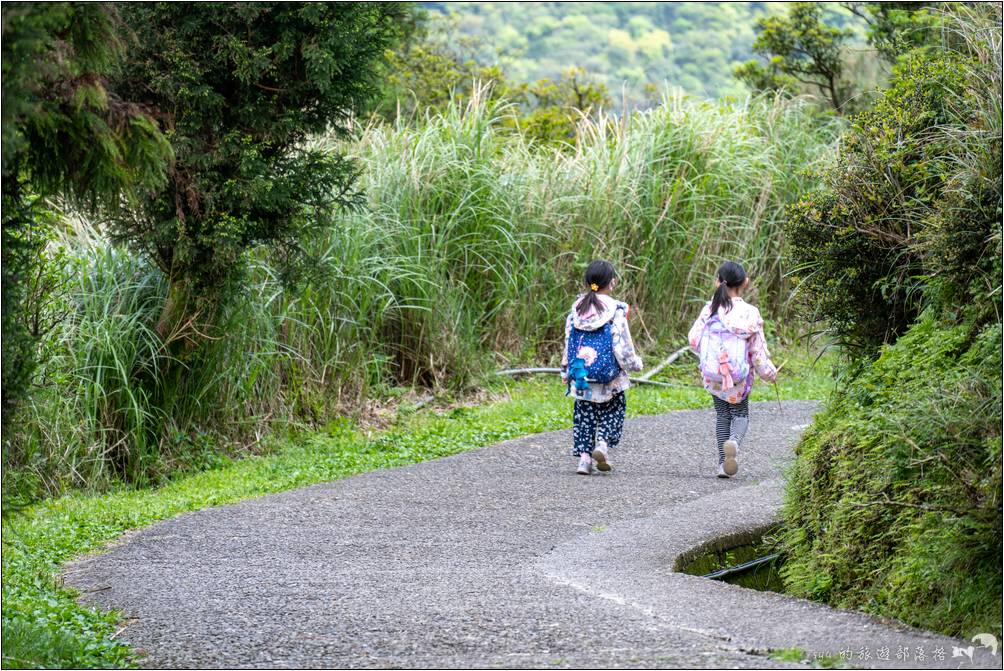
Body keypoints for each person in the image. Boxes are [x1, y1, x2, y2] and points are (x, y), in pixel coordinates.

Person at [687, 261, 777, 478]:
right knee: (740, 414)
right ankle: (734, 443)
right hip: (739, 379)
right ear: (745, 282)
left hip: (714, 377)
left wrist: (712, 360)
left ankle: (721, 464)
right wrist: (769, 373)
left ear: (718, 282)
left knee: (722, 416)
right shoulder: (750, 312)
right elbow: (758, 351)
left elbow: (693, 339)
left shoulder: (710, 309)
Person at [561, 260, 643, 475]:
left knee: (584, 415)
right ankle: (602, 445)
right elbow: (622, 345)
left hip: (581, 375)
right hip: (609, 378)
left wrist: (565, 370)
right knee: (613, 410)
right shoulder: (615, 310)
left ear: (589, 282)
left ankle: (585, 460)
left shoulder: (577, 310)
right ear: (612, 282)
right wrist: (634, 364)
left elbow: (569, 342)